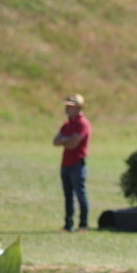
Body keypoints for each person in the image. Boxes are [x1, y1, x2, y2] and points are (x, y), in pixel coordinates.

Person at [53, 94, 91, 232]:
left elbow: (73, 144)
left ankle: (83, 224)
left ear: (78, 108)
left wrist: (64, 140)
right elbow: (55, 141)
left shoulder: (82, 123)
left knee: (80, 195)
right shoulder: (67, 124)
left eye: (70, 106)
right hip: (66, 163)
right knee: (68, 196)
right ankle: (68, 225)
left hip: (77, 164)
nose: (67, 109)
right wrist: (66, 140)